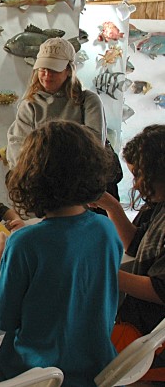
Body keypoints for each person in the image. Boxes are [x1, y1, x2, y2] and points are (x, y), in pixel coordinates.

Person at [0, 121, 122, 384]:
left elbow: (3, 319)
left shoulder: (25, 242)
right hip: (98, 368)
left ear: (30, 177)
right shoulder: (105, 228)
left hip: (40, 375)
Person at [90, 124, 165, 382]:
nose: (135, 184)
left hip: (152, 333)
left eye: (138, 175)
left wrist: (102, 273)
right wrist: (110, 205)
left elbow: (160, 290)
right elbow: (134, 243)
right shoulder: (159, 203)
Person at [7, 37, 105, 169]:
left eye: (54, 70)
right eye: (43, 69)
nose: (47, 75)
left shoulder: (89, 101)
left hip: (79, 177)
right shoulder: (29, 105)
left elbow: (95, 146)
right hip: (38, 176)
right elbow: (17, 150)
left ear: (69, 70)